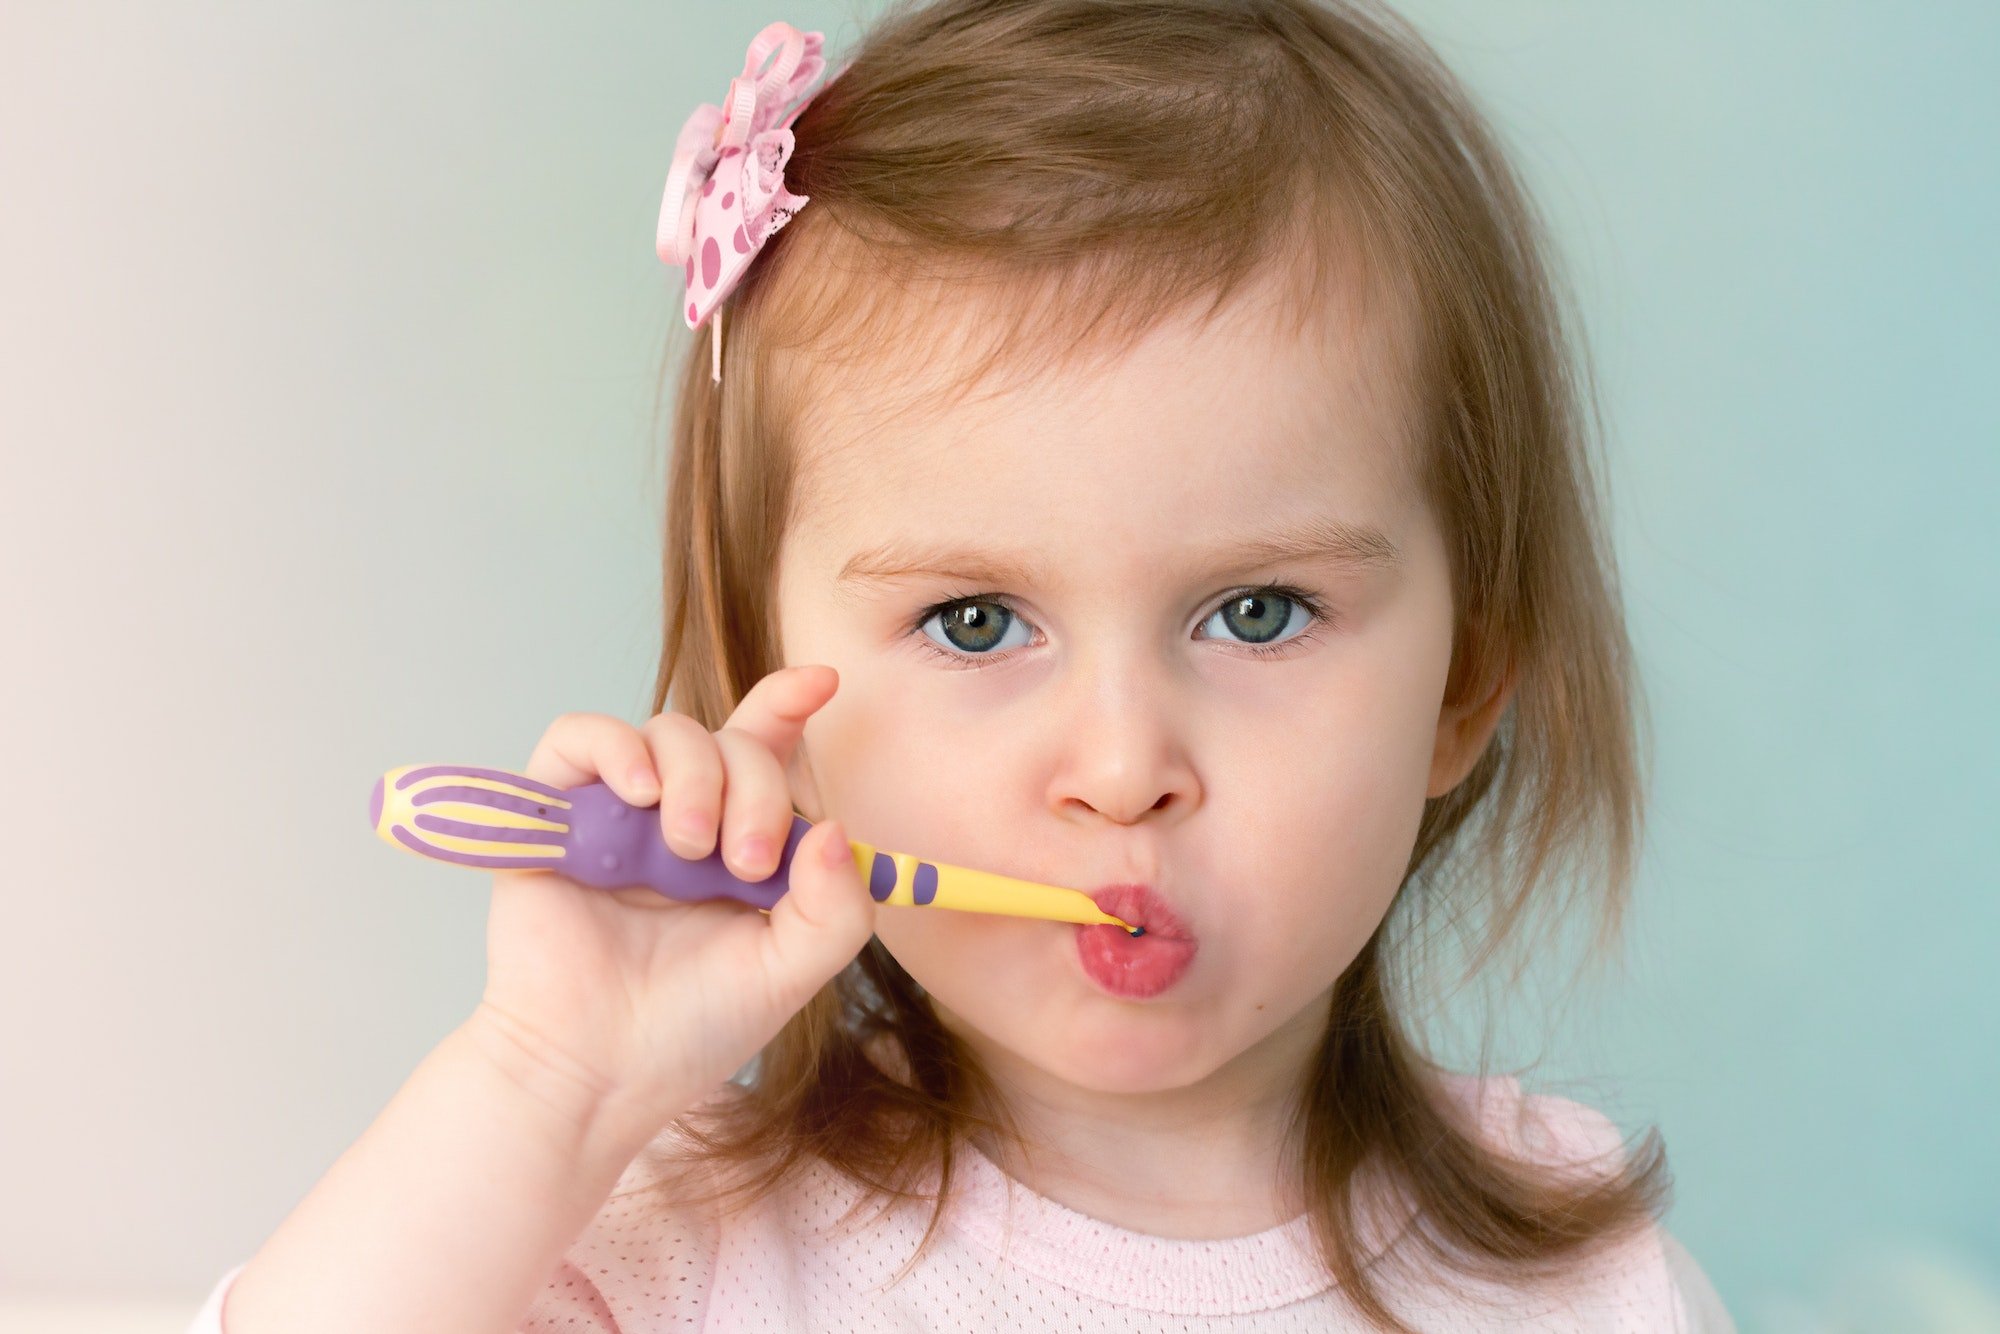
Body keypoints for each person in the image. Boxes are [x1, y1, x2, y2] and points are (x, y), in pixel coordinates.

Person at [190, 1, 1736, 1328]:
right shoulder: (673, 1251)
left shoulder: (1591, 1287)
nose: (1122, 767)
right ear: (775, 689)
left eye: (1258, 612)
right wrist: (548, 1081)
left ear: (1466, 682)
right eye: (977, 622)